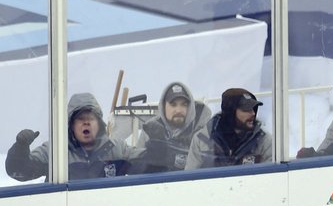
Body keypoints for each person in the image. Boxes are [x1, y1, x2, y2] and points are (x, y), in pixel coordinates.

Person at [5, 93, 136, 182]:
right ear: (71, 125)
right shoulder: (53, 151)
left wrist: (156, 142)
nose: (86, 123)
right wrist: (20, 148)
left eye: (91, 118)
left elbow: (148, 166)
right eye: (80, 119)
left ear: (99, 123)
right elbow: (18, 171)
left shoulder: (117, 148)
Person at [131, 81, 212, 174]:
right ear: (163, 106)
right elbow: (135, 169)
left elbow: (210, 166)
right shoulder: (151, 130)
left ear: (190, 107)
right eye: (173, 104)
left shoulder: (204, 132)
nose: (178, 110)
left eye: (184, 104)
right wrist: (148, 159)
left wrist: (169, 157)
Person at [185, 87, 273, 168]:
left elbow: (271, 177)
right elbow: (190, 178)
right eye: (246, 110)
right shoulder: (202, 140)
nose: (253, 113)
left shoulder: (264, 141)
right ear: (230, 112)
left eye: (254, 109)